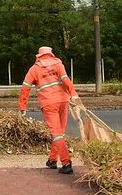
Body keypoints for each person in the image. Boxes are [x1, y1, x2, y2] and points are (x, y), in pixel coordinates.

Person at [18, 46, 80, 174]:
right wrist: (74, 94)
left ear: (38, 56)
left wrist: (22, 106)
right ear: (51, 54)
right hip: (63, 100)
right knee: (60, 133)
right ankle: (52, 160)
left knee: (56, 134)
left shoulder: (34, 69)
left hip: (48, 103)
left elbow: (25, 88)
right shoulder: (58, 64)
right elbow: (66, 80)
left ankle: (66, 163)